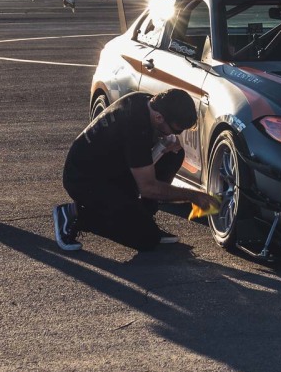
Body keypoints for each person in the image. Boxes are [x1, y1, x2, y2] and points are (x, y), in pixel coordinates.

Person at [53, 88, 217, 251]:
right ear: (159, 117)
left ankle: (143, 217)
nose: (177, 134)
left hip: (110, 167)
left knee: (174, 153)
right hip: (84, 179)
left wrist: (166, 140)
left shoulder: (146, 102)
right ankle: (75, 215)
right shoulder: (135, 129)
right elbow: (148, 188)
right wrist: (192, 196)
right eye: (176, 130)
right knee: (146, 239)